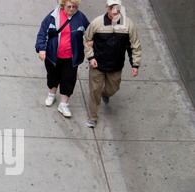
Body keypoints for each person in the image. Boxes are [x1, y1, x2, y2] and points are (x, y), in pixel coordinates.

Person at [83, 0, 141, 128]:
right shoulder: (97, 23)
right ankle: (92, 116)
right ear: (107, 7)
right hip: (97, 65)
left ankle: (106, 94)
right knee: (94, 91)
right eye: (111, 8)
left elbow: (134, 46)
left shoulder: (128, 25)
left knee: (113, 88)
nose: (114, 11)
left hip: (115, 66)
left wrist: (135, 65)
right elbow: (87, 40)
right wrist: (91, 57)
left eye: (117, 8)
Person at [35, 0, 90, 118]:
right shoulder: (52, 17)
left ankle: (64, 104)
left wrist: (91, 42)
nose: (71, 9)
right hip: (53, 55)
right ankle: (52, 94)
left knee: (69, 79)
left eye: (74, 7)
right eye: (69, 6)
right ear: (62, 6)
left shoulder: (80, 18)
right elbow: (43, 33)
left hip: (71, 57)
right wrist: (41, 49)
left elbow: (89, 32)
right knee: (53, 75)